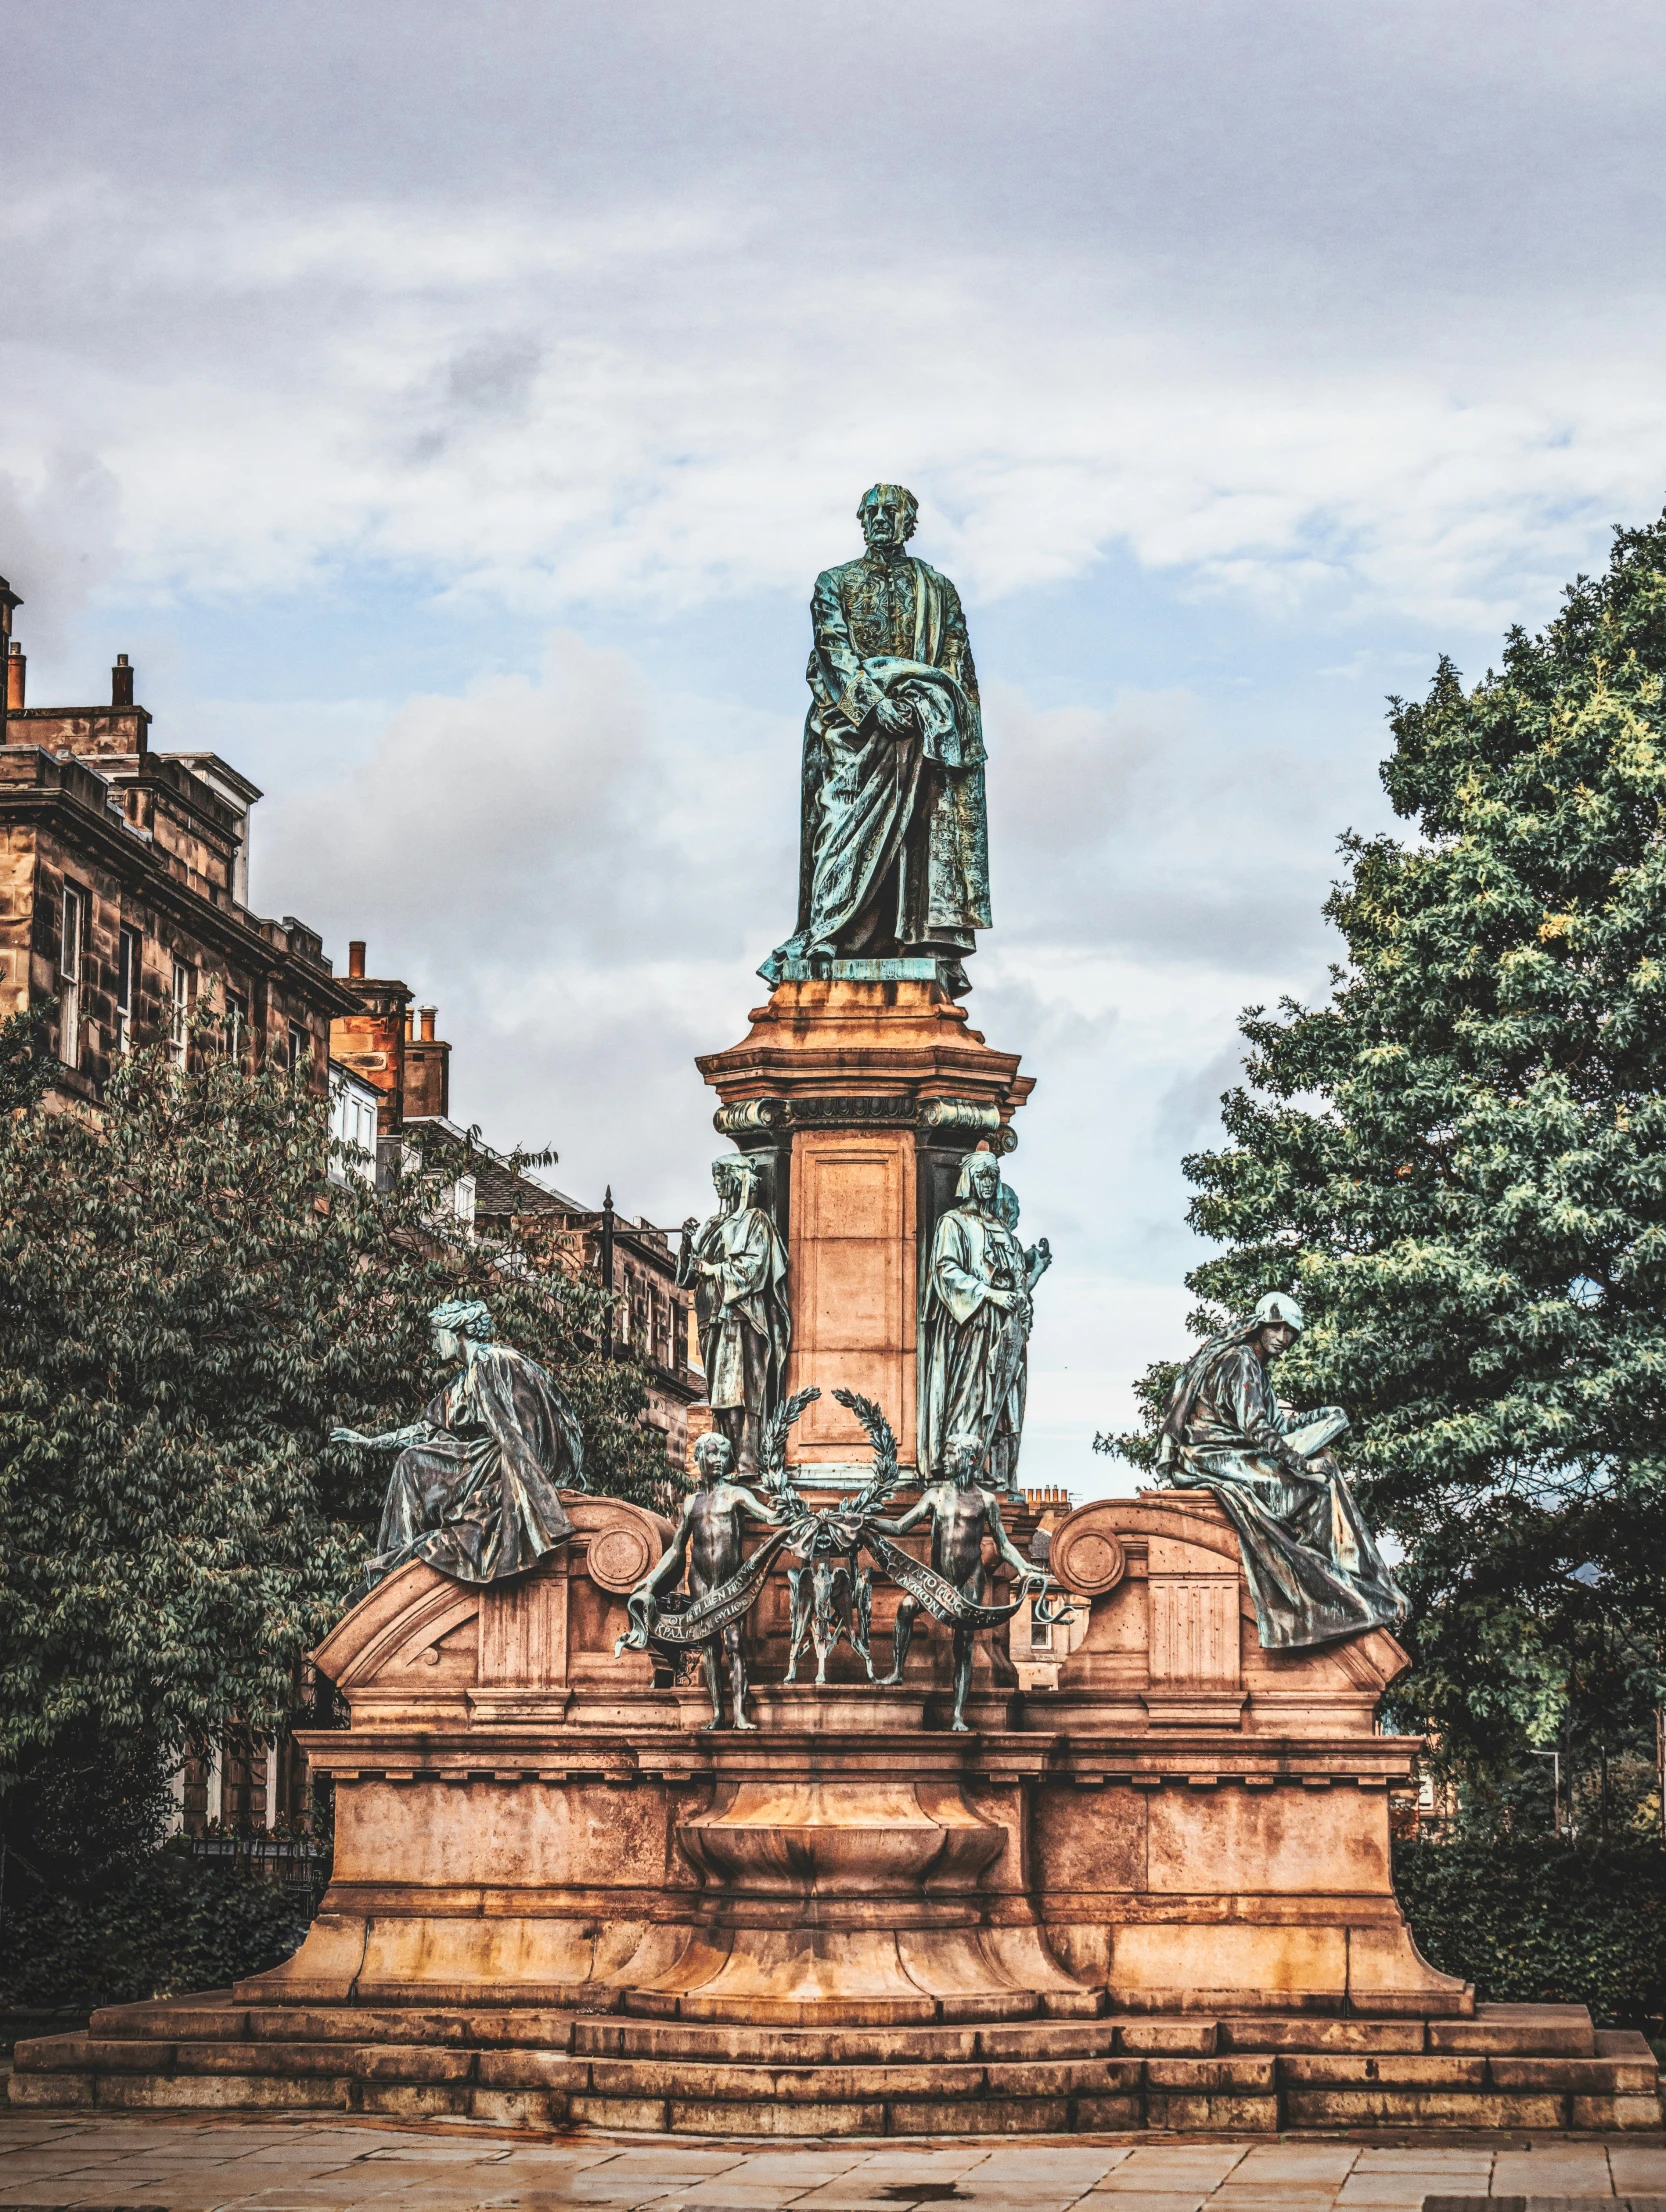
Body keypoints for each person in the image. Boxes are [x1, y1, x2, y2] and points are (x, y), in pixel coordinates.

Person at [760, 483, 990, 993]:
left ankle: (913, 942)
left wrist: (933, 712)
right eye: (873, 511)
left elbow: (955, 662)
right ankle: (831, 932)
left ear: (910, 523)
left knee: (916, 837)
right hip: (850, 727)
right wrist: (872, 705)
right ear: (860, 521)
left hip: (921, 727)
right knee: (840, 825)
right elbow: (831, 650)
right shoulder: (835, 582)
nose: (881, 518)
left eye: (893, 511)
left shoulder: (939, 589)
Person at [1157, 1290, 1408, 1649]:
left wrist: (1325, 1416)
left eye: (1290, 1332)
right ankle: (1335, 1578)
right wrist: (1300, 1464)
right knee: (1315, 1485)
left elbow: (1278, 1425)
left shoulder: (1255, 1368)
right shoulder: (1240, 1361)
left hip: (1233, 1452)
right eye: (1276, 1328)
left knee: (1326, 1466)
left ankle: (1346, 1574)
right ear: (1261, 1325)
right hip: (1214, 1457)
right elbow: (1257, 1429)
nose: (1282, 1338)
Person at [332, 1297, 582, 1588]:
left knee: (415, 1462)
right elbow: (426, 1428)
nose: (434, 1345)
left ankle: (397, 1567)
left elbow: (520, 1432)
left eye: (437, 1336)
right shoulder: (465, 1378)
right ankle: (396, 1563)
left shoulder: (494, 1361)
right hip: (493, 1454)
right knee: (412, 1460)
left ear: (456, 1332)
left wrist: (542, 1505)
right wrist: (372, 1442)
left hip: (515, 1459)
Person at [873, 1433, 1046, 1732]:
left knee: (963, 1643)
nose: (947, 1459)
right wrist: (867, 1520)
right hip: (937, 1578)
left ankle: (957, 1714)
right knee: (905, 1609)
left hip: (970, 1578)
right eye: (948, 1452)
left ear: (971, 1459)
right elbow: (900, 1526)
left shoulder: (986, 1500)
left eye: (953, 1454)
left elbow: (1003, 1544)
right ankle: (898, 1671)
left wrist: (1022, 1566)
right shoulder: (934, 1495)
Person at [918, 1151, 1050, 1493]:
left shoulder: (1002, 1229)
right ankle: (960, 1467)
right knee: (970, 1395)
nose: (989, 1183)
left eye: (994, 1176)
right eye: (983, 1176)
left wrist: (1029, 1280)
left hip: (1006, 1329)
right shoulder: (953, 1222)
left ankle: (990, 1469)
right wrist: (990, 1295)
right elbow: (946, 1272)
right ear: (969, 1181)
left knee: (1003, 1403)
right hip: (973, 1325)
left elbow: (1014, 1283)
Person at [637, 1431, 782, 1729]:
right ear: (699, 1458)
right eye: (711, 1453)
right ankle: (718, 1713)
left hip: (731, 1581)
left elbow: (769, 1517)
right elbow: (677, 1549)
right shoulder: (691, 1504)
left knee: (734, 1641)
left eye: (722, 1455)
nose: (716, 1460)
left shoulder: (737, 1494)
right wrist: (651, 1582)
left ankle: (740, 1714)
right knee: (709, 1648)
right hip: (701, 1580)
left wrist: (789, 1513)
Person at [677, 1156, 791, 1476]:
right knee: (720, 1394)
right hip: (712, 1319)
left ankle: (748, 1452)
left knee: (743, 1388)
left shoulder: (755, 1220)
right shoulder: (714, 1224)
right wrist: (687, 1244)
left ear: (738, 1179)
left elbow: (755, 1266)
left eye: (721, 1176)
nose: (715, 1183)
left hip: (741, 1315)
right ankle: (730, 1453)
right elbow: (689, 1277)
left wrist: (715, 1269)